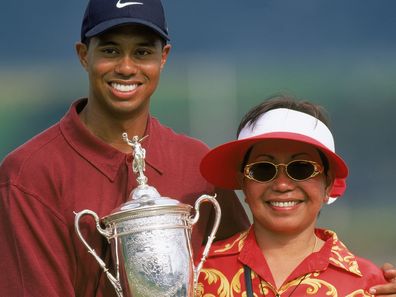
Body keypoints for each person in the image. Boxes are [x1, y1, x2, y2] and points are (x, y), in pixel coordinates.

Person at [0, 0, 250, 296]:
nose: (126, 67)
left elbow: (243, 274)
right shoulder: (28, 174)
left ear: (163, 58)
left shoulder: (196, 164)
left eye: (142, 52)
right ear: (83, 55)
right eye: (110, 50)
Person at [197, 96, 396, 296]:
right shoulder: (196, 273)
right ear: (243, 184)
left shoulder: (372, 286)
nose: (282, 185)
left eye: (302, 169)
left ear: (327, 184)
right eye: (263, 169)